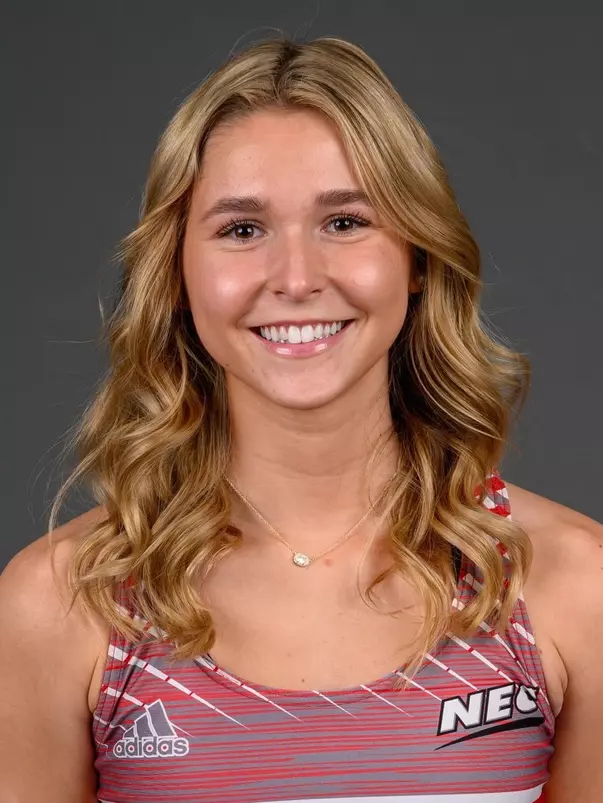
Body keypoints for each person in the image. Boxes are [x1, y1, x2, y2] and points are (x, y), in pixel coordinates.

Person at [0, 35, 601, 803]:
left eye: (345, 221)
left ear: (415, 257)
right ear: (177, 274)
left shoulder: (573, 585)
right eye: (241, 229)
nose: (294, 278)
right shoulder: (65, 601)